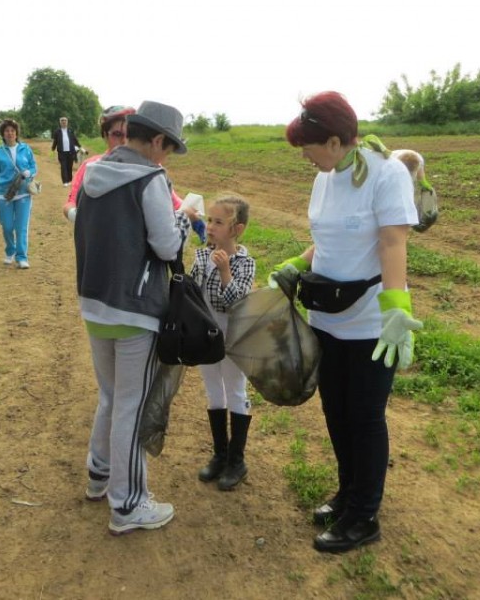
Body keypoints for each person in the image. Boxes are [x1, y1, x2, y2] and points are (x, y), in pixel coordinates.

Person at [270, 91, 422, 554]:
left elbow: (393, 243)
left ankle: (364, 517)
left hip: (370, 323)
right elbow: (327, 239)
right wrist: (298, 262)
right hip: (326, 316)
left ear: (335, 141)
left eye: (310, 148)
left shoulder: (386, 173)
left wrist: (397, 307)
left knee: (365, 417)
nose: (306, 157)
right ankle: (347, 495)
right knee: (336, 411)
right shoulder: (327, 177)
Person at [75, 100, 191, 535]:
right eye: (169, 148)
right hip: (136, 307)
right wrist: (182, 221)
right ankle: (128, 505)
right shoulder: (151, 178)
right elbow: (166, 246)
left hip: (95, 303)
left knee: (110, 396)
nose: (167, 157)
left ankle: (99, 476)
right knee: (132, 406)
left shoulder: (91, 175)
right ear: (157, 140)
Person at [189, 194, 256, 491]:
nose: (211, 227)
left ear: (237, 229)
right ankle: (220, 454)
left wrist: (226, 271)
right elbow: (192, 295)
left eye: (218, 222)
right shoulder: (202, 256)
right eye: (209, 220)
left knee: (235, 390)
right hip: (207, 335)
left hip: (233, 337)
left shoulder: (245, 263)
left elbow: (237, 302)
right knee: (214, 391)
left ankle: (237, 460)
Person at [64, 105, 205, 242]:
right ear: (105, 135)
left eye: (128, 134)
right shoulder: (90, 167)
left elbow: (172, 201)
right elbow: (70, 203)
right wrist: (86, 221)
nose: (124, 140)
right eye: (117, 134)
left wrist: (191, 213)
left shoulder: (153, 169)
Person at [0, 118, 37, 269]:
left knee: (21, 227)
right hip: (4, 194)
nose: (10, 133)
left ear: (16, 133)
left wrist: (30, 172)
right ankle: (10, 250)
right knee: (7, 226)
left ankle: (22, 257)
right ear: (3, 134)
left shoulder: (26, 149)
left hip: (23, 193)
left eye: (12, 131)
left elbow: (34, 167)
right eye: (7, 131)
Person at [51, 115, 81, 186]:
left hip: (70, 152)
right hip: (62, 152)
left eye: (65, 121)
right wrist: (53, 147)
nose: (64, 122)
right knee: (63, 166)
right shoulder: (57, 132)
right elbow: (55, 141)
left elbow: (74, 139)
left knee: (69, 166)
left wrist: (79, 146)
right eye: (62, 121)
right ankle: (65, 182)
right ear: (60, 122)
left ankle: (70, 180)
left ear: (67, 122)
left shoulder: (70, 130)